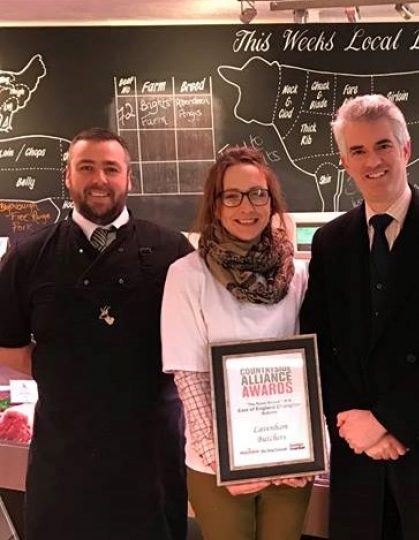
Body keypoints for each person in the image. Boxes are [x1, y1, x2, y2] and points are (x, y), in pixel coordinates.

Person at [0, 127, 192, 540]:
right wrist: (66, 371)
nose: (99, 179)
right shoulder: (29, 255)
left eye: (111, 169)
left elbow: (197, 345)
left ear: (129, 178)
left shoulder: (173, 251)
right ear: (68, 176)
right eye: (86, 167)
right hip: (64, 458)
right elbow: (6, 344)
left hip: (151, 458)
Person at [299, 94, 419, 540]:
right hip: (357, 451)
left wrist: (392, 422)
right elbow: (317, 341)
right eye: (357, 150)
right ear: (344, 162)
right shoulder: (330, 241)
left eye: (383, 146)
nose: (372, 161)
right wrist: (350, 420)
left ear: (406, 149)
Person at [161, 147, 313, 540]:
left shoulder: (297, 275)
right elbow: (189, 378)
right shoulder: (186, 276)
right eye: (232, 196)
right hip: (216, 468)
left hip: (288, 461)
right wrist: (224, 463)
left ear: (271, 201)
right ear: (215, 205)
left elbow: (314, 369)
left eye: (258, 194)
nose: (247, 207)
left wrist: (312, 447)